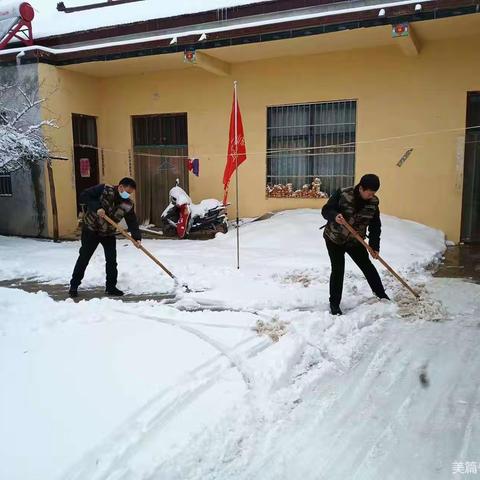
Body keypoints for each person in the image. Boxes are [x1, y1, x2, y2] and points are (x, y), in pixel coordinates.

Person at [321, 174, 389, 315]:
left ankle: (381, 294)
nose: (371, 196)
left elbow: (375, 225)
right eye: (369, 192)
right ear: (361, 188)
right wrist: (334, 216)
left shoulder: (374, 202)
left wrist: (374, 247)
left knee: (367, 265)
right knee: (338, 270)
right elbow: (326, 210)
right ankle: (334, 305)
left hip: (355, 241)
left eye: (373, 193)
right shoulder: (343, 193)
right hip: (335, 239)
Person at [69, 177, 142, 297]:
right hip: (91, 230)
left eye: (130, 193)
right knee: (84, 257)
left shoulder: (127, 204)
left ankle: (111, 287)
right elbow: (84, 195)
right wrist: (97, 207)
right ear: (120, 187)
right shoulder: (104, 189)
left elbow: (132, 221)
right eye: (127, 192)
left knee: (112, 261)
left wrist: (137, 238)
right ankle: (74, 285)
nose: (128, 195)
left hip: (108, 233)